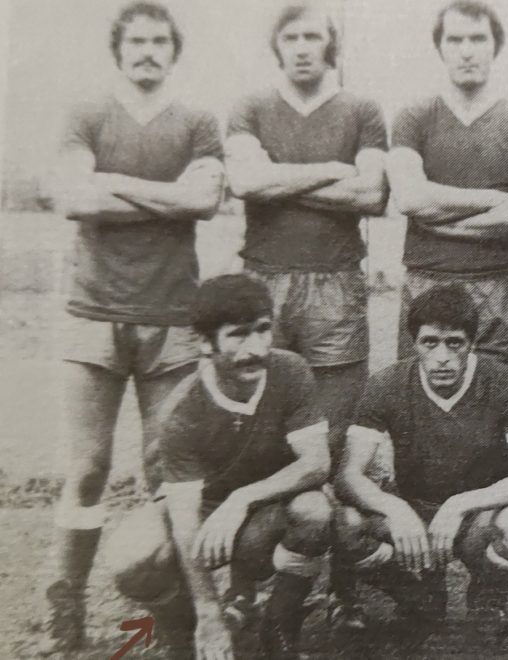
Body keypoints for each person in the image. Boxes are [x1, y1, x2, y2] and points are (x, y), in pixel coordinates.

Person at [40, 2, 224, 653]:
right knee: (87, 468)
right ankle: (66, 604)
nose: (147, 51)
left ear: (173, 51)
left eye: (158, 41)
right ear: (119, 50)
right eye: (136, 41)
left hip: (172, 318)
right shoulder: (88, 114)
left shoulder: (197, 121)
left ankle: (172, 619)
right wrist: (163, 197)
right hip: (92, 313)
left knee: (167, 474)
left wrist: (112, 183)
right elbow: (71, 196)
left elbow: (203, 199)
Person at [104, 274, 333, 659]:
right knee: (132, 555)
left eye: (263, 330)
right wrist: (208, 610)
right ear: (205, 343)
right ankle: (186, 632)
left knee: (314, 510)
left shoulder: (290, 370)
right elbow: (184, 517)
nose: (255, 348)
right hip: (205, 514)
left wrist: (243, 499)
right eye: (238, 335)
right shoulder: (181, 411)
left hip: (267, 508)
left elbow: (316, 464)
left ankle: (279, 630)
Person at [333, 283, 508, 652]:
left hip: (478, 517)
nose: (442, 357)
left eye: (455, 343)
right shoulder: (386, 383)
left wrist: (460, 504)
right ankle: (413, 593)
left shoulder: (505, 382)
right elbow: (348, 475)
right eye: (430, 343)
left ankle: (487, 600)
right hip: (414, 513)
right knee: (347, 522)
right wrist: (395, 508)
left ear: (472, 343)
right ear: (414, 342)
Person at [224, 3, 387, 457]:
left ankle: (323, 502)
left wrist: (277, 182)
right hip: (263, 279)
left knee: (333, 429)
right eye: (290, 38)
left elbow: (371, 193)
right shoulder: (251, 107)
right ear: (276, 46)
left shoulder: (361, 110)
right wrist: (333, 170)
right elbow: (245, 182)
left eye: (312, 37)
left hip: (337, 281)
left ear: (330, 44)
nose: (301, 48)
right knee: (258, 416)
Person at [387, 0, 508, 377]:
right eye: (455, 39)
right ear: (440, 47)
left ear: (495, 46)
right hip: (428, 283)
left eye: (478, 39)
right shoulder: (413, 117)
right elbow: (409, 197)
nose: (466, 51)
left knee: (503, 402)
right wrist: (492, 200)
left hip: (501, 288)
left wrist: (440, 218)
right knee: (425, 402)